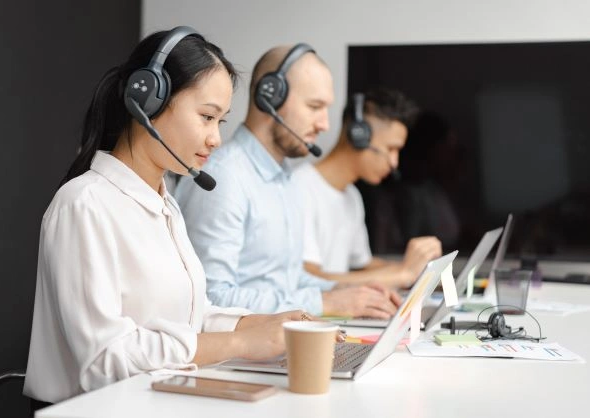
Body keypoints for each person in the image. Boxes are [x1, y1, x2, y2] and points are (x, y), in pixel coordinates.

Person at [23, 27, 307, 406]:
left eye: (219, 122)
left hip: (158, 401)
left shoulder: (164, 203)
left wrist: (256, 324)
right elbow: (104, 361)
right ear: (148, 99)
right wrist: (239, 342)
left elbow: (186, 316)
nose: (216, 139)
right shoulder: (84, 204)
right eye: (207, 117)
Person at [175, 44, 401, 319]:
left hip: (280, 344)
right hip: (233, 357)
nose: (325, 124)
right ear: (270, 95)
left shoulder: (287, 180)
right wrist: (325, 304)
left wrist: (348, 291)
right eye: (314, 106)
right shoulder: (224, 178)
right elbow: (211, 297)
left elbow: (289, 281)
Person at [292, 88, 442, 289]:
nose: (394, 163)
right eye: (391, 149)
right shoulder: (300, 187)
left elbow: (362, 266)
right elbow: (309, 279)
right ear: (358, 135)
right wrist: (402, 275)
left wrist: (417, 271)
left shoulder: (351, 196)